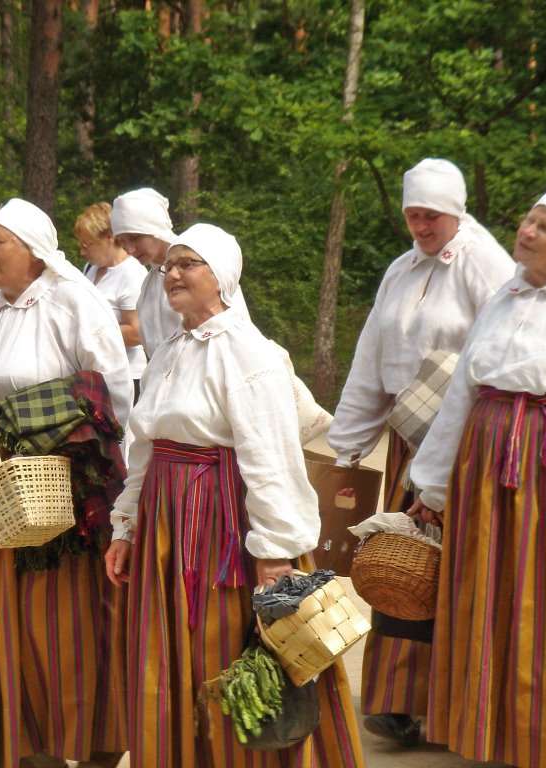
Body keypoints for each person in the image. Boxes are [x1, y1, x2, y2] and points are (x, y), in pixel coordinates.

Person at [104, 223, 366, 768]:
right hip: (165, 520)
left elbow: (271, 458)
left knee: (227, 649)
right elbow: (143, 447)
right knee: (169, 652)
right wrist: (126, 526)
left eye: (187, 264)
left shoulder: (251, 354)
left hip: (223, 525)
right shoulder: (169, 351)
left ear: (220, 277)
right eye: (168, 265)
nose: (172, 273)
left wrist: (273, 551)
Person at [407, 179, 546, 768]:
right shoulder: (504, 293)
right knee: (487, 586)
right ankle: (489, 729)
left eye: (544, 227)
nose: (526, 232)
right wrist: (434, 485)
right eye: (528, 220)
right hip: (486, 461)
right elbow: (461, 393)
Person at [0, 198, 133, 768]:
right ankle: (26, 744)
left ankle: (92, 741)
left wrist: (47, 434)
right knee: (3, 620)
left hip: (56, 492)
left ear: (34, 252)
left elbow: (114, 397)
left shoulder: (73, 303)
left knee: (62, 622)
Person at [326, 158, 513, 746]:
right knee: (401, 568)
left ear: (455, 211)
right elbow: (371, 352)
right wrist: (350, 440)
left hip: (469, 452)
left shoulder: (486, 264)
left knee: (457, 574)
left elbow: (504, 348)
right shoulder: (402, 269)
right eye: (412, 214)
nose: (420, 226)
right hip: (413, 444)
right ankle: (400, 700)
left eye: (431, 215)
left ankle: (456, 704)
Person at [76, 201, 148, 397]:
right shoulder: (91, 269)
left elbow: (136, 332)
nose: (83, 252)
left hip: (126, 376)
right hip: (95, 374)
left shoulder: (132, 273)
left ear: (109, 237)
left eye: (87, 244)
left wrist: (86, 337)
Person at [110, 187, 181, 357]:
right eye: (122, 241)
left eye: (135, 237)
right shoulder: (150, 281)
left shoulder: (199, 267)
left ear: (154, 228)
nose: (130, 249)